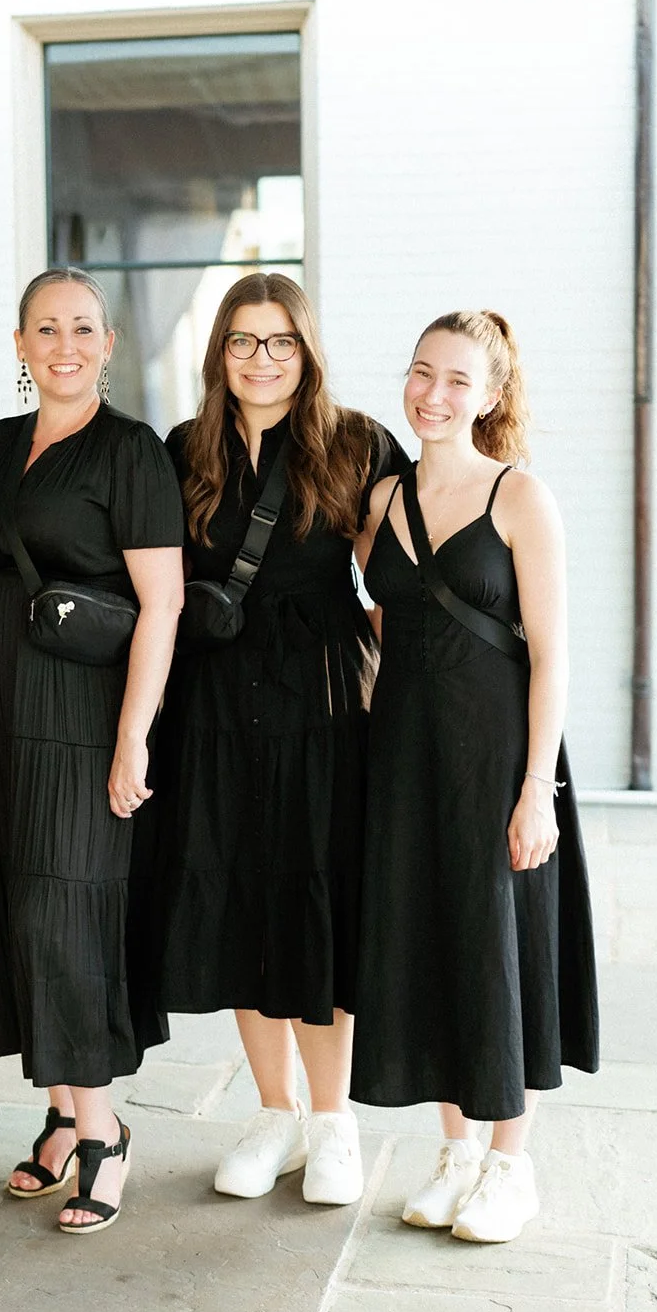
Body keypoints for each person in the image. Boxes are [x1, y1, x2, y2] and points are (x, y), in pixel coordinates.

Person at [156, 271, 408, 1207]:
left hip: (325, 692)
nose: (261, 359)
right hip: (215, 697)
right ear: (218, 353)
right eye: (242, 341)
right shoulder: (185, 449)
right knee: (240, 894)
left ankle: (331, 1120)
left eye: (280, 342)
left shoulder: (357, 443)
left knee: (316, 891)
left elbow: (396, 586)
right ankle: (273, 1110)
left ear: (305, 351)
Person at [351, 309, 598, 1243]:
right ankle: (454, 1149)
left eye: (457, 380)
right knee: (426, 939)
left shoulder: (519, 498)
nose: (433, 394)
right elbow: (385, 625)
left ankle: (508, 1164)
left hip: (497, 755)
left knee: (500, 945)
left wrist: (537, 788)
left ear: (490, 396)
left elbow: (553, 655)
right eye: (421, 372)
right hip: (406, 757)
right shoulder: (377, 503)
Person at [0, 267, 183, 1234]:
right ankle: (58, 1117)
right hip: (4, 708)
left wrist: (133, 736)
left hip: (83, 711)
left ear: (108, 345)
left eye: (82, 328)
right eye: (45, 329)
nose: (64, 344)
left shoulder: (130, 452)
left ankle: (104, 1134)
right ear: (18, 345)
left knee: (65, 913)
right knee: (15, 905)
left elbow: (161, 603)